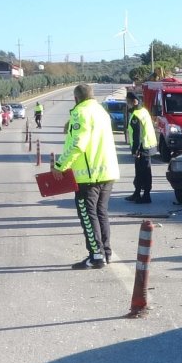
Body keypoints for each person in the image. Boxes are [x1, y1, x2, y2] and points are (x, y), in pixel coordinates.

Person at [52, 84, 120, 269]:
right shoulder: (101, 112)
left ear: (76, 98)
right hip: (107, 172)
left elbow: (77, 145)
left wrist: (60, 165)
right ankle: (106, 252)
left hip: (88, 176)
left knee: (88, 215)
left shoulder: (79, 113)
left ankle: (96, 256)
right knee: (101, 213)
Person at [124, 92, 157, 203]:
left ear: (134, 102)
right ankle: (137, 193)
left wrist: (135, 150)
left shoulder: (137, 115)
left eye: (128, 101)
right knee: (139, 172)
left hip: (143, 148)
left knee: (145, 172)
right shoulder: (143, 111)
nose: (127, 104)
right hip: (146, 146)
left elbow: (137, 134)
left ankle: (146, 196)